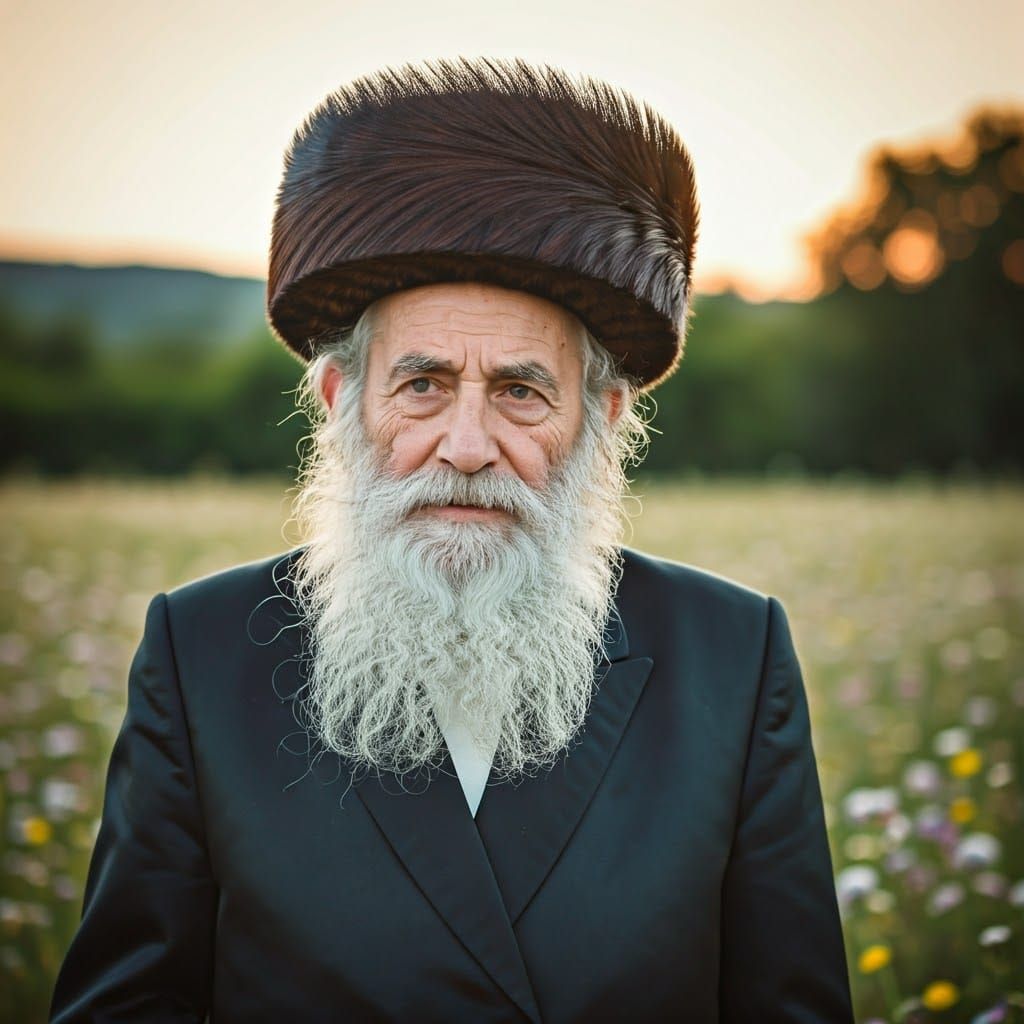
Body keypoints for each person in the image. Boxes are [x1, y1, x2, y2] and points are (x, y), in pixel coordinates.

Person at [50, 58, 854, 1022]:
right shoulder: (202, 651)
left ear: (600, 421)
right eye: (423, 385)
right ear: (343, 402)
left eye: (520, 391)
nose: (467, 447)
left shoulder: (733, 655)